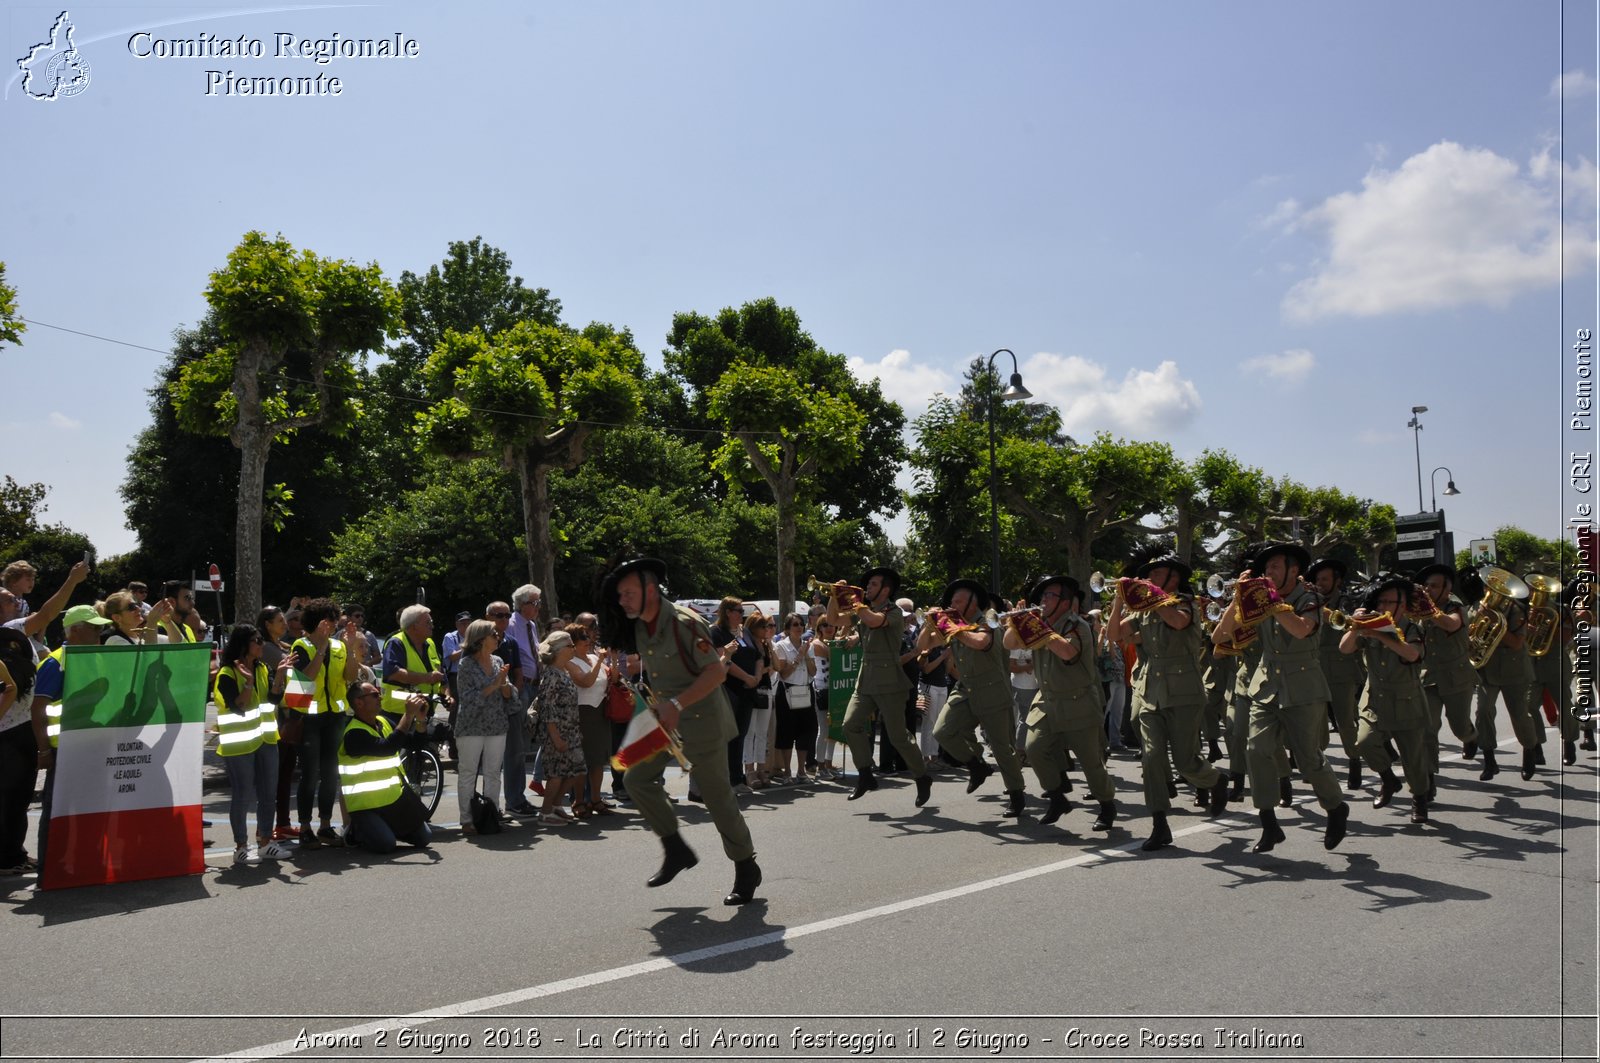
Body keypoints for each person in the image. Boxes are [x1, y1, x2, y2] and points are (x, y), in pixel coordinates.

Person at [600, 557, 760, 905]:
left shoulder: (684, 623)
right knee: (634, 778)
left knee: (717, 799)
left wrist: (677, 704)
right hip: (664, 718)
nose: (622, 600)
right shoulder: (642, 625)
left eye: (628, 593)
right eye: (620, 594)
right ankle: (675, 849)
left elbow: (716, 673)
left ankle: (746, 865)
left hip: (701, 721)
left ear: (651, 590)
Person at [1212, 541, 1350, 853]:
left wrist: (1272, 602)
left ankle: (1336, 807)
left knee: (1308, 758)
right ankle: (1269, 822)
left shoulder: (1311, 597)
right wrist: (1237, 600)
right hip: (1264, 685)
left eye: (1275, 566)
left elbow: (1301, 630)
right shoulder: (1257, 600)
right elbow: (1219, 637)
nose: (1269, 572)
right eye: (1267, 567)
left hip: (1303, 686)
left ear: (1294, 570)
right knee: (1256, 749)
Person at [1109, 549, 1228, 852]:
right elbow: (1114, 634)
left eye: (1157, 573)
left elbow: (1176, 622)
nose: (1149, 577)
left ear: (1174, 577)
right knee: (1150, 757)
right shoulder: (1143, 610)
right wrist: (1121, 599)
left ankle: (1215, 781)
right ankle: (1160, 823)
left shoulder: (1186, 604)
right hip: (1150, 691)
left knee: (1186, 760)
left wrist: (1151, 596)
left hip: (1184, 690)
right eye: (1148, 574)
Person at [1008, 576, 1117, 830]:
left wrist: (1037, 628)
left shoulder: (1077, 626)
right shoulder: (1038, 623)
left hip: (1077, 701)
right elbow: (1008, 644)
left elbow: (1067, 652)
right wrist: (1016, 623)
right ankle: (1058, 798)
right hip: (1046, 699)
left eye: (1049, 596)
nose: (1042, 600)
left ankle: (1107, 805)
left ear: (1065, 602)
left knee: (1090, 762)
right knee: (1033, 749)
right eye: (1042, 596)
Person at [926, 579, 1028, 816]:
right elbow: (924, 644)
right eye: (951, 601)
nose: (952, 604)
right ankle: (976, 765)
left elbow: (981, 643)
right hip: (966, 687)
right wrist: (930, 624)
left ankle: (1016, 793)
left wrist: (954, 629)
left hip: (992, 690)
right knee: (942, 731)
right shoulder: (955, 624)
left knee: (1003, 748)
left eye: (958, 600)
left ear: (973, 602)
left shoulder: (988, 622)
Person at [831, 567, 931, 806]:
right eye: (869, 585)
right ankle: (866, 775)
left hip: (889, 679)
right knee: (850, 725)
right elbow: (834, 620)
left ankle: (922, 776)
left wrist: (855, 603)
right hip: (866, 677)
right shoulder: (865, 609)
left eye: (874, 585)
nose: (868, 588)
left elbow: (874, 622)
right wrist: (834, 597)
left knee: (898, 737)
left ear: (886, 590)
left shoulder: (893, 612)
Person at [1340, 577, 1432, 823]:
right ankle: (1388, 779)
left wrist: (1381, 637)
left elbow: (1412, 654)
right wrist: (1355, 626)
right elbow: (1345, 649)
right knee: (1365, 742)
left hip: (1405, 698)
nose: (1382, 606)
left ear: (1402, 605)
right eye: (1380, 601)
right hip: (1375, 696)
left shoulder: (1412, 628)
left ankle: (1419, 799)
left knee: (1413, 758)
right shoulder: (1369, 624)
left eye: (1389, 601)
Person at [29, 604, 112, 870]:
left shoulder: (96, 657)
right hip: (62, 751)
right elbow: (37, 709)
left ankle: (87, 863)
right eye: (94, 628)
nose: (99, 633)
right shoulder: (55, 663)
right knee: (58, 813)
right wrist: (43, 751)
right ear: (74, 631)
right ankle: (50, 869)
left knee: (92, 810)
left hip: (92, 747)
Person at [213, 625, 293, 864]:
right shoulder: (227, 672)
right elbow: (238, 707)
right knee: (242, 795)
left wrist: (278, 675)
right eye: (257, 640)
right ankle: (240, 847)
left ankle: (266, 842)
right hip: (238, 745)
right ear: (244, 644)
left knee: (269, 794)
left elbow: (274, 699)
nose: (261, 644)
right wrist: (247, 683)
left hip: (266, 740)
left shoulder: (262, 668)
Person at [287, 598, 361, 849]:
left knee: (331, 774)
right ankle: (305, 826)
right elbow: (304, 679)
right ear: (317, 622)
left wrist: (350, 648)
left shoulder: (339, 646)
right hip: (309, 718)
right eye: (329, 620)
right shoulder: (301, 645)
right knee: (310, 774)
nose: (332, 625)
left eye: (334, 621)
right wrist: (320, 648)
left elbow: (350, 676)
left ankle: (325, 825)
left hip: (335, 716)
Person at [1463, 567, 1542, 781]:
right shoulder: (1474, 609)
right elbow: (1469, 640)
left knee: (1519, 715)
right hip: (1486, 669)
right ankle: (1489, 760)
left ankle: (1528, 752)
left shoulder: (1517, 610)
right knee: (1483, 712)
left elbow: (1517, 643)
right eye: (1489, 586)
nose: (1492, 590)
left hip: (1514, 669)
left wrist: (1498, 625)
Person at [339, 682, 433, 853]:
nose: (380, 697)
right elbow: (387, 748)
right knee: (386, 846)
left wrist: (420, 719)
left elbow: (416, 743)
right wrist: (408, 714)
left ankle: (385, 828)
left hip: (393, 801)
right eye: (375, 695)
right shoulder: (353, 733)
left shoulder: (382, 721)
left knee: (424, 838)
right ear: (359, 702)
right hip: (365, 806)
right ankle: (355, 830)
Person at [1413, 563, 1481, 774]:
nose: (1429, 590)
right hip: (1429, 676)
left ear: (1447, 588)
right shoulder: (1420, 608)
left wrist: (1428, 609)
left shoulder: (1455, 606)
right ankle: (1428, 777)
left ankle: (1470, 736)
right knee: (1428, 729)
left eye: (1434, 586)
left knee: (1459, 726)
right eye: (1427, 586)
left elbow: (1451, 625)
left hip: (1456, 677)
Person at [1309, 558, 1367, 790]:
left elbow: (1345, 624)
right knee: (1316, 723)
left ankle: (1354, 761)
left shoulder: (1346, 601)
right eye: (1318, 579)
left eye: (1325, 579)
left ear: (1337, 580)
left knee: (1345, 721)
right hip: (1315, 668)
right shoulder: (1310, 601)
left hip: (1342, 669)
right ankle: (1318, 764)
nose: (1320, 583)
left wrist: (1318, 608)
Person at [453, 619, 513, 832]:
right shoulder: (466, 664)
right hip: (471, 726)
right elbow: (468, 698)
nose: (498, 637)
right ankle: (467, 820)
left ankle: (491, 815)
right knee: (468, 772)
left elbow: (509, 695)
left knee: (493, 773)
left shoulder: (498, 661)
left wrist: (504, 685)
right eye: (494, 634)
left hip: (496, 724)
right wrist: (494, 685)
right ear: (480, 639)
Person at [493, 595, 539, 816]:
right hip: (492, 702)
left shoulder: (522, 632)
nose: (504, 619)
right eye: (499, 615)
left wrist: (516, 695)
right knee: (496, 755)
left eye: (505, 615)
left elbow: (519, 669)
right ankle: (488, 808)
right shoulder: (484, 639)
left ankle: (515, 800)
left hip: (518, 695)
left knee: (517, 749)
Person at [564, 618, 614, 816]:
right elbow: (586, 682)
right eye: (583, 638)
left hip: (600, 712)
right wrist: (601, 661)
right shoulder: (570, 662)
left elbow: (612, 679)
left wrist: (614, 660)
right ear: (573, 642)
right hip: (582, 713)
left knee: (598, 760)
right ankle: (578, 801)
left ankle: (595, 799)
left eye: (588, 637)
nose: (589, 640)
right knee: (581, 760)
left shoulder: (593, 657)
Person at [535, 629, 586, 825]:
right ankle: (546, 812)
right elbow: (547, 707)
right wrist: (555, 736)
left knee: (576, 768)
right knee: (556, 773)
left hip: (571, 730)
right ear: (559, 650)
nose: (573, 648)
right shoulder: (551, 675)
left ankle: (556, 805)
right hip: (557, 732)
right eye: (570, 645)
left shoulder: (562, 671)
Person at [0, 629, 39, 875]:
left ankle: (11, 857)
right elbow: (13, 690)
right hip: (22, 731)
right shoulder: (27, 663)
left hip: (10, 734)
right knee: (16, 801)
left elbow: (10, 689)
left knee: (9, 801)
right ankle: (13, 855)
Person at [378, 604, 445, 732]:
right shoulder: (396, 642)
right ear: (414, 626)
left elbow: (440, 672)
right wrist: (426, 678)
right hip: (398, 713)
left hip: (424, 710)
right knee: (399, 751)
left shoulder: (430, 643)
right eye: (428, 622)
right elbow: (393, 673)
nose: (432, 625)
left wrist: (446, 694)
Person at [773, 613, 817, 784]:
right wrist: (798, 657)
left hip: (806, 691)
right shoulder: (781, 646)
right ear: (787, 629)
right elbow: (783, 673)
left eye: (801, 624)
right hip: (787, 692)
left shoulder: (809, 646)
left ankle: (801, 771)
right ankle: (787, 772)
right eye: (795, 625)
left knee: (806, 732)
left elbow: (813, 672)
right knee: (786, 732)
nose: (799, 628)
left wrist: (806, 654)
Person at [744, 616, 777, 788]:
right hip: (751, 690)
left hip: (766, 689)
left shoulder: (766, 645)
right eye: (764, 626)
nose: (767, 629)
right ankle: (749, 770)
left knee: (763, 732)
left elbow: (775, 667)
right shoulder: (747, 645)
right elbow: (755, 669)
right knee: (750, 733)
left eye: (769, 626)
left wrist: (770, 646)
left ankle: (761, 768)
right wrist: (764, 669)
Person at [810, 618, 838, 779]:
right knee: (824, 729)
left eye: (832, 624)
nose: (829, 628)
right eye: (825, 625)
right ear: (819, 627)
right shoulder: (817, 644)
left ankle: (828, 762)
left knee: (833, 728)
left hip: (835, 689)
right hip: (821, 689)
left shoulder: (835, 643)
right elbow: (834, 655)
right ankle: (820, 765)